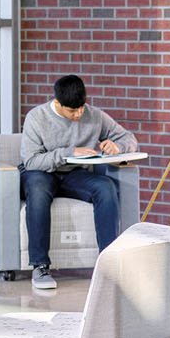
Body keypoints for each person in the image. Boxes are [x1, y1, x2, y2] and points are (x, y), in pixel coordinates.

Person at [19, 74, 137, 291]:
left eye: (81, 108)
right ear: (57, 103)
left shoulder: (94, 115)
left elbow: (129, 137)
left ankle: (107, 264)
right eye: (72, 111)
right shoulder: (37, 117)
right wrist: (67, 153)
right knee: (37, 189)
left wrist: (118, 146)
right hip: (41, 172)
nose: (79, 114)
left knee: (105, 187)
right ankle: (40, 266)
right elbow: (32, 160)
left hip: (74, 174)